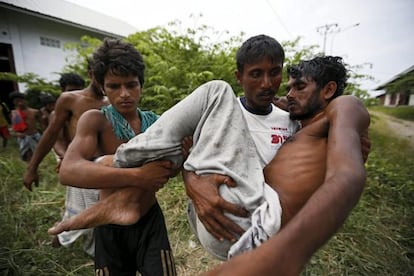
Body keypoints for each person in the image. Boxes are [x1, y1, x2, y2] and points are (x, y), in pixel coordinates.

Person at [49, 37, 370, 268]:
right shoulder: (285, 120)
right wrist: (192, 181)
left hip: (254, 223)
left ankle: (121, 167)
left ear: (328, 91)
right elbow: (192, 152)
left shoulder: (335, 111)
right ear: (241, 76)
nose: (281, 90)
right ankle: (127, 192)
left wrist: (290, 251)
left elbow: (347, 174)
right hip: (229, 214)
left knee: (214, 92)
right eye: (259, 74)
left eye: (293, 84)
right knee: (216, 94)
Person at [201, 55, 370, 275]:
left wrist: (286, 254)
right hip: (253, 214)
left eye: (300, 87)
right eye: (289, 88)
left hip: (276, 231)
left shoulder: (345, 106)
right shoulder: (301, 121)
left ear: (328, 90)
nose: (290, 94)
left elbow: (348, 175)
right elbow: (279, 100)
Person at [57, 38, 177, 275]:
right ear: (102, 86)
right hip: (109, 224)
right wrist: (139, 176)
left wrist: (178, 155)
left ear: (141, 84)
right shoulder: (96, 121)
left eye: (131, 85)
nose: (124, 94)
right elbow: (68, 170)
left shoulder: (156, 123)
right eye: (114, 86)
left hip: (149, 218)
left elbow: (170, 168)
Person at [23, 70, 107, 257]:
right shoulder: (70, 100)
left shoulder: (111, 101)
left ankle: (99, 251)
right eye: (102, 73)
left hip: (105, 168)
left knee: (101, 212)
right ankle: (58, 240)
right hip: (80, 166)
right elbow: (52, 134)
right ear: (91, 73)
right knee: (78, 214)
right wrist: (32, 168)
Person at [9, 92, 42, 162]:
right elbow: (14, 129)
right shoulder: (15, 114)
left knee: (40, 155)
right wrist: (18, 134)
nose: (19, 103)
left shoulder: (35, 112)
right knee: (28, 156)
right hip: (23, 138)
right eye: (16, 101)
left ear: (25, 100)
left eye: (20, 100)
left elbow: (43, 125)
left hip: (35, 136)